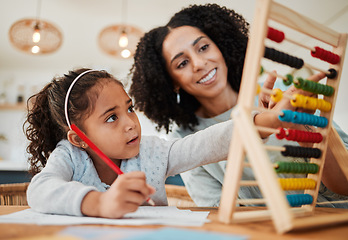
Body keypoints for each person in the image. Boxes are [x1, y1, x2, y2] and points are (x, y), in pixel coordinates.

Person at [129, 4, 348, 207]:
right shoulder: (184, 139)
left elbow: (345, 185)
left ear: (221, 47)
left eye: (203, 48)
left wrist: (304, 130)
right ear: (172, 82)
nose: (199, 63)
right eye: (182, 63)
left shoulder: (283, 91)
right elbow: (217, 211)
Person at [23, 68, 240, 218]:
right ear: (79, 138)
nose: (131, 123)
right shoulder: (69, 156)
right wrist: (99, 203)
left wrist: (251, 125)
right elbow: (39, 190)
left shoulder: (152, 151)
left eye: (129, 109)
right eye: (111, 118)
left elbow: (201, 145)